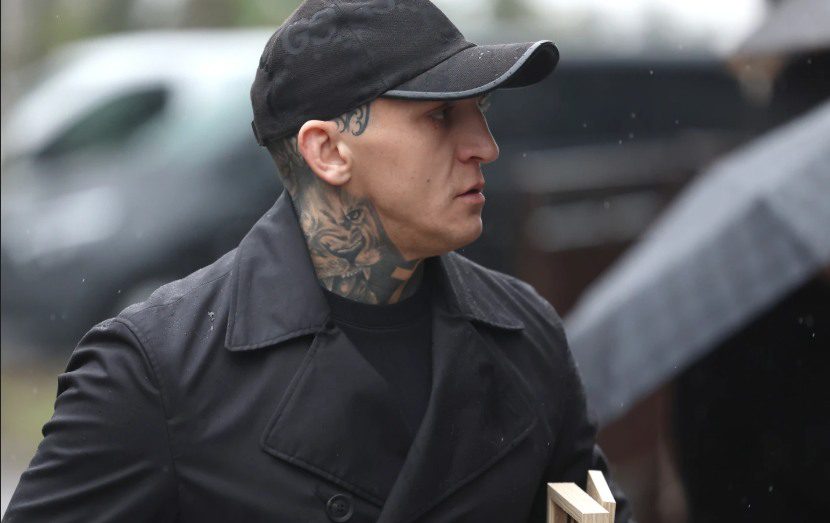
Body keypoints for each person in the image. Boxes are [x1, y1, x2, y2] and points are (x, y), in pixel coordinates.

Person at [5, 1, 631, 521]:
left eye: (481, 112)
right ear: (327, 151)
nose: (485, 147)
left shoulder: (524, 333)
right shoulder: (155, 372)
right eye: (441, 115)